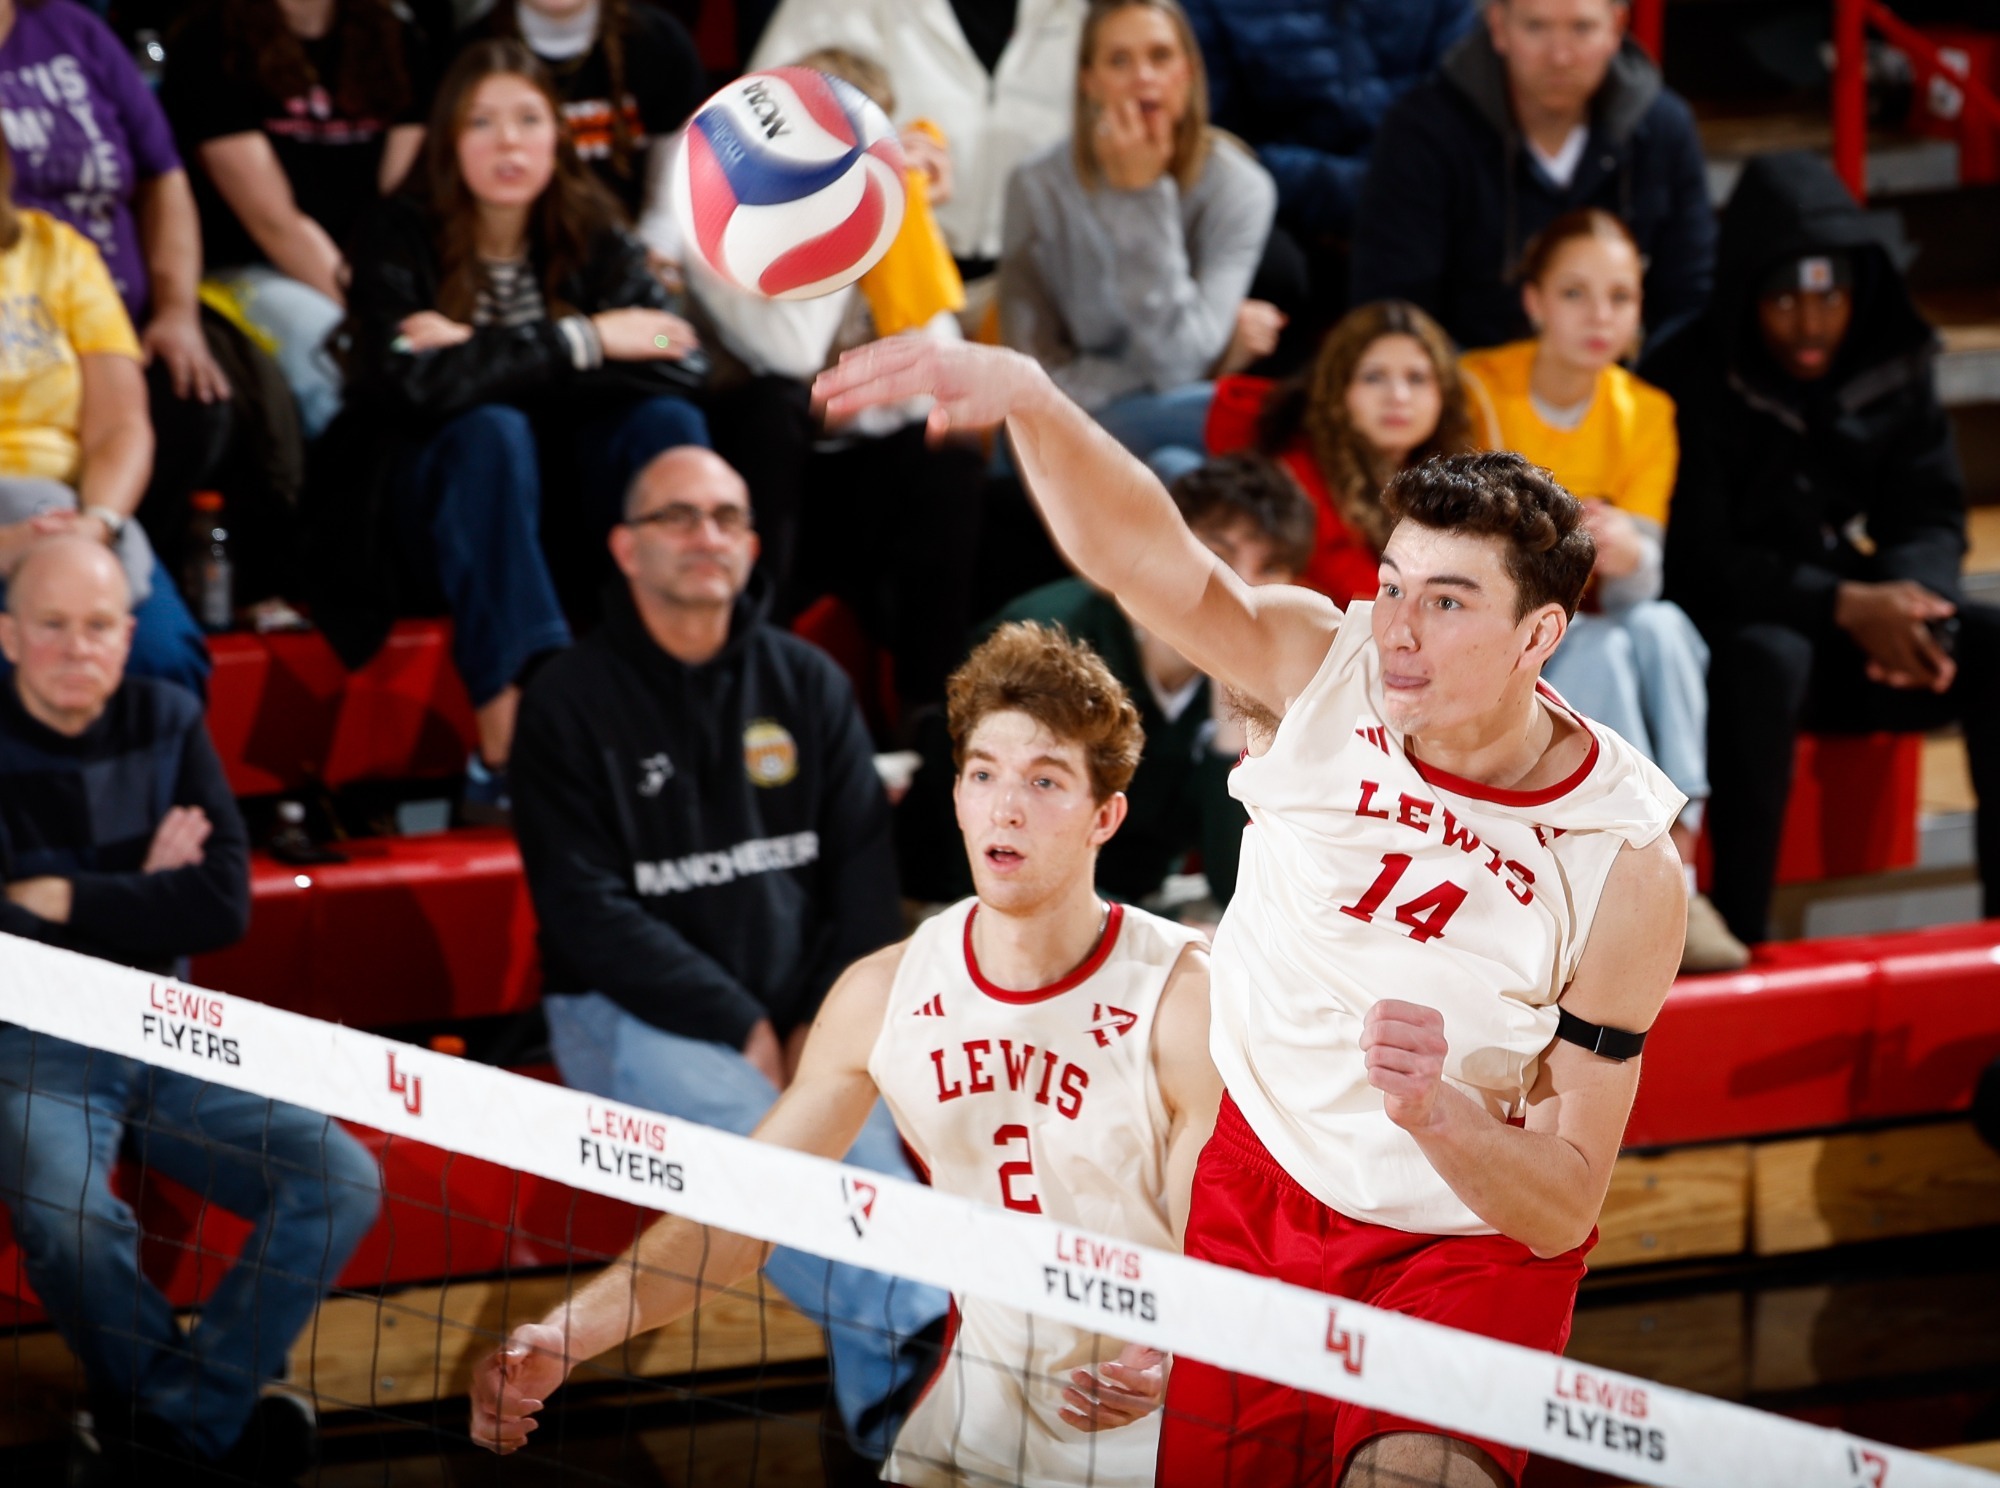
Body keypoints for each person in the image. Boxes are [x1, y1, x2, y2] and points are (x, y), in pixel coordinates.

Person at [815, 336, 1687, 1488]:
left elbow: (1561, 1202)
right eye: (1388, 585)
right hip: (1253, 1197)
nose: (1397, 629)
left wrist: (1437, 1115)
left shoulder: (1623, 862)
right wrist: (1033, 399)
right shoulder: (1315, 668)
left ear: (1539, 635)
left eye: (1445, 601)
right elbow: (1152, 562)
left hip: (1456, 1251)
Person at [479, 619, 1222, 1488]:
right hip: (974, 1436)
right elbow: (744, 1213)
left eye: (1045, 780)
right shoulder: (884, 995)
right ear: (954, 796)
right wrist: (570, 1332)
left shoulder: (1181, 998)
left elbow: (1220, 1247)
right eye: (983, 774)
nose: (1006, 807)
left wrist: (1169, 1352)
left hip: (1164, 1436)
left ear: (1107, 815)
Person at [507, 444, 947, 1457]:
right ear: (624, 547)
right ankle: (928, 1349)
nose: (705, 535)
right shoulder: (568, 702)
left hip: (800, 1016)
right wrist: (738, 1020)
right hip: (627, 1018)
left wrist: (816, 1022)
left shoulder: (805, 680)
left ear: (751, 544)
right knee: (760, 1160)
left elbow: (859, 885)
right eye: (677, 516)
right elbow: (586, 915)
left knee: (866, 1161)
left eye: (725, 517)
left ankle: (901, 1436)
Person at [0, 534, 381, 1483]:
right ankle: (213, 1424)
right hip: (31, 1037)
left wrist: (62, 896)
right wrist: (139, 892)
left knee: (344, 1180)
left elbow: (221, 902)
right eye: (52, 625)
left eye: (97, 626)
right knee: (71, 1219)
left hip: (167, 1023)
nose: (76, 647)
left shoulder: (167, 716)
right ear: (8, 635)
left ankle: (169, 1433)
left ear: (128, 638)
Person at [310, 39, 708, 803]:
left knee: (664, 424)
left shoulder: (595, 231)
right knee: (491, 433)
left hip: (561, 506)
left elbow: (673, 348)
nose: (508, 142)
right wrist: (581, 339)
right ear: (448, 138)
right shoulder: (396, 234)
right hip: (429, 515)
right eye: (482, 122)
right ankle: (510, 735)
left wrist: (481, 351)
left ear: (558, 137)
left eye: (528, 120)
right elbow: (405, 381)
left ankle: (684, 679)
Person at [1646, 151, 2000, 947]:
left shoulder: (1893, 359)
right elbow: (1701, 561)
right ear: (1746, 295)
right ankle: (1741, 933)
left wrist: (1913, 602)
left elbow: (1932, 511)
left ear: (1856, 290)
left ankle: (1996, 931)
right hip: (1731, 643)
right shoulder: (1686, 374)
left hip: (1854, 633)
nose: (1810, 324)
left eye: (1828, 296)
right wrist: (1845, 603)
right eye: (1784, 300)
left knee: (1991, 644)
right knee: (1768, 657)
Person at [1460, 208, 1743, 971]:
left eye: (1619, 298)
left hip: (1603, 622)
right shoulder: (1480, 387)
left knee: (1660, 628)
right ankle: (1630, 873)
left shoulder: (1647, 411)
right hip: (1511, 631)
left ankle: (1678, 858)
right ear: (1536, 301)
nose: (1600, 316)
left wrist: (1625, 553)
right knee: (1612, 646)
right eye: (1576, 294)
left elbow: (1642, 582)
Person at [897, 453, 1314, 911]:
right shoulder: (1048, 644)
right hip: (971, 899)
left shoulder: (1262, 673)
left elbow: (1236, 886)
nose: (1243, 587)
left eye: (1270, 568)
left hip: (1133, 903)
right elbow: (1001, 849)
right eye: (1218, 556)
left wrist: (1234, 726)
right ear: (1165, 547)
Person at [0, 0, 242, 583]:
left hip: (103, 316)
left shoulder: (72, 30)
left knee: (197, 397)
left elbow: (165, 172)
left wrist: (176, 310)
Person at [1350, 0, 1713, 355]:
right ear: (1498, 26)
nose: (1560, 56)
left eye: (1582, 28)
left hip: (1625, 395)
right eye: (1536, 27)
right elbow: (1395, 306)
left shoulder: (1664, 128)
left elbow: (1689, 297)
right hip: (1466, 391)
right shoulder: (1423, 132)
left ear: (1616, 27)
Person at [1000, 0, 1278, 462]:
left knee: (1177, 464)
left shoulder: (1241, 188)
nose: (1143, 77)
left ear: (1188, 72)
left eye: (1161, 56)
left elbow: (1178, 364)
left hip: (1168, 424)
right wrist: (1215, 355)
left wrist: (1141, 198)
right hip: (1057, 421)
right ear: (1089, 82)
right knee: (1233, 415)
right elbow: (1031, 371)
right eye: (1119, 60)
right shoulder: (1036, 185)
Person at [161, 0, 432, 438]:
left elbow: (397, 201)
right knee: (336, 361)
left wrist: (392, 297)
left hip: (374, 270)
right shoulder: (209, 42)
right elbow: (274, 222)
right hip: (250, 267)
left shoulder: (400, 38)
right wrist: (372, 313)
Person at [0, 142, 210, 695]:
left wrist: (95, 526)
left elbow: (121, 424)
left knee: (161, 662)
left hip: (59, 506)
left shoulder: (58, 252)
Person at [1179, 0, 1477, 362]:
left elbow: (1459, 112)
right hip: (1285, 209)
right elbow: (1218, 141)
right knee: (1269, 266)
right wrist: (1357, 188)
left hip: (1419, 197)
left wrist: (1398, 184)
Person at [748, 0, 1086, 279]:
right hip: (878, 279)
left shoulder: (1082, 11)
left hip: (1040, 278)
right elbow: (759, 125)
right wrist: (864, 174)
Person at [1206, 299, 1477, 605]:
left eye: (1417, 379)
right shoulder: (1298, 472)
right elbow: (1364, 598)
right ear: (1338, 389)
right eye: (1373, 377)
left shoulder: (1446, 476)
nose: (1398, 396)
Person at [468, 0, 704, 247]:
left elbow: (675, 195)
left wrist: (652, 258)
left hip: (636, 248)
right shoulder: (469, 55)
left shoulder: (660, 42)